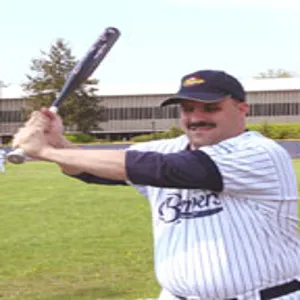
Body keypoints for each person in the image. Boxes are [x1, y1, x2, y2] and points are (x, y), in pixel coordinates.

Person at [11, 70, 300, 300]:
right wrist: (56, 141)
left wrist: (45, 152)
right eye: (187, 109)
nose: (196, 117)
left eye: (210, 108)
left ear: (242, 108)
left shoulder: (260, 154)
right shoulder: (170, 148)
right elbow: (92, 169)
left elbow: (167, 168)